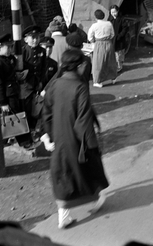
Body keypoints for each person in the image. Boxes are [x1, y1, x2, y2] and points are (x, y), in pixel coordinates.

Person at [41, 49, 110, 229]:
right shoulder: (79, 87)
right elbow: (83, 118)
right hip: (77, 138)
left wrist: (49, 136)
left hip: (59, 136)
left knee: (61, 174)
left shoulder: (54, 85)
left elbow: (46, 113)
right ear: (79, 66)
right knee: (90, 168)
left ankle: (63, 214)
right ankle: (96, 199)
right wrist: (90, 142)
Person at [0, 33, 32, 147]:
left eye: (11, 46)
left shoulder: (9, 58)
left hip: (14, 91)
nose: (10, 49)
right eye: (8, 47)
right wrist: (3, 102)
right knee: (15, 117)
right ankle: (24, 141)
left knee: (10, 118)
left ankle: (4, 140)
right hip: (7, 94)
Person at [22, 26, 47, 135]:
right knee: (26, 108)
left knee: (37, 108)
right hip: (27, 85)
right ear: (26, 39)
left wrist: (41, 82)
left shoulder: (42, 51)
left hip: (37, 84)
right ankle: (27, 131)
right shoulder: (23, 51)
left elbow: (43, 68)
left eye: (37, 37)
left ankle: (34, 129)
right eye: (32, 37)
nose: (35, 40)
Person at [87, 9, 117, 88]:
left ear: (95, 17)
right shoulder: (109, 23)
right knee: (110, 60)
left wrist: (93, 41)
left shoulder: (94, 25)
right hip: (108, 42)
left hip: (99, 43)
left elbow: (90, 36)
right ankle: (113, 78)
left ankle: (97, 81)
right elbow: (112, 34)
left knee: (98, 63)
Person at [108, 5, 128, 73]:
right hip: (112, 39)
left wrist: (119, 36)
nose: (113, 13)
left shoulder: (122, 19)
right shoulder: (110, 19)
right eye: (112, 12)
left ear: (118, 11)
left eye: (115, 12)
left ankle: (119, 67)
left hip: (119, 39)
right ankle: (114, 66)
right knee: (113, 54)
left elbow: (125, 29)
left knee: (119, 54)